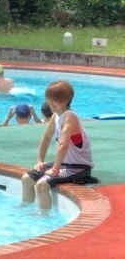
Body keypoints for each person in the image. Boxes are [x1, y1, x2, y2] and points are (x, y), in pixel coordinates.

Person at [21, 80, 95, 210]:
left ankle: (44, 219)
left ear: (66, 100)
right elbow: (46, 138)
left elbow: (63, 144)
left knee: (42, 185)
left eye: (54, 100)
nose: (51, 104)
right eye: (49, 100)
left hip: (79, 167)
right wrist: (40, 160)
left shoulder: (70, 117)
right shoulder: (56, 115)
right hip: (64, 164)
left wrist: (55, 169)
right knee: (26, 179)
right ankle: (24, 211)